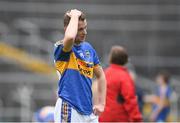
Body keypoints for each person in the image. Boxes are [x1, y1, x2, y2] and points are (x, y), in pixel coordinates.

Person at [53, 9, 106, 123]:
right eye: (80, 29)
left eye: (85, 28)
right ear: (68, 28)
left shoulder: (88, 48)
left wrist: (101, 103)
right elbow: (70, 38)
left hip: (88, 112)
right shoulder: (61, 47)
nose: (85, 32)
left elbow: (101, 76)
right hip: (69, 107)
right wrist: (75, 16)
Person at [99, 45, 143, 122]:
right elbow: (130, 99)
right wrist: (136, 118)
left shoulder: (105, 74)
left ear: (111, 58)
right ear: (125, 60)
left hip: (104, 117)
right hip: (120, 118)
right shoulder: (124, 76)